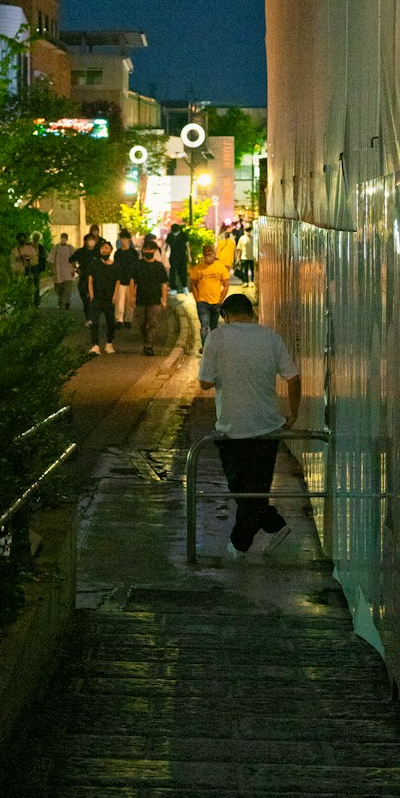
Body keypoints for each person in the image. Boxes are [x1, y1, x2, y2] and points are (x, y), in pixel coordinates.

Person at [198, 292, 301, 557]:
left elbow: (205, 383)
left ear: (225, 315)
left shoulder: (217, 338)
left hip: (232, 426)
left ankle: (242, 542)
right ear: (252, 314)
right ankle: (268, 528)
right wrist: (295, 413)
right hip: (268, 428)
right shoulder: (270, 337)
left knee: (241, 489)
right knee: (256, 489)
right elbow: (293, 377)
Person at [131, 238, 169, 355]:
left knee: (153, 322)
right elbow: (132, 281)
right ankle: (146, 340)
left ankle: (149, 345)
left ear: (154, 251)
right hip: (141, 299)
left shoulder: (159, 266)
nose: (148, 251)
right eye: (146, 249)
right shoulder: (138, 265)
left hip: (154, 299)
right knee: (141, 322)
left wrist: (164, 299)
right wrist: (132, 296)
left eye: (150, 249)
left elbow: (164, 284)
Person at [190, 242, 230, 343]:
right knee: (204, 326)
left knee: (213, 328)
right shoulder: (198, 268)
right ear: (203, 255)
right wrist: (197, 299)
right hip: (202, 302)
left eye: (210, 254)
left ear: (214, 254)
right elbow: (193, 285)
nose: (208, 257)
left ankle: (212, 347)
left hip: (216, 303)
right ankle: (205, 347)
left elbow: (225, 286)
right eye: (206, 255)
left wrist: (221, 300)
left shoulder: (220, 268)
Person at [87, 238, 118, 355]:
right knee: (94, 322)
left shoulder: (115, 265)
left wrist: (115, 295)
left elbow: (117, 281)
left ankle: (109, 343)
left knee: (110, 322)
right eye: (102, 248)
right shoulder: (95, 264)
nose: (104, 250)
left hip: (109, 298)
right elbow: (90, 279)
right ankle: (95, 345)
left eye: (106, 248)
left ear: (111, 250)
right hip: (97, 298)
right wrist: (91, 295)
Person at [113, 230, 139, 327]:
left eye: (125, 239)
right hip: (120, 280)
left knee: (130, 301)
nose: (123, 241)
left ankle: (128, 319)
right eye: (121, 239)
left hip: (131, 280)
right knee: (119, 302)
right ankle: (119, 320)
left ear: (129, 240)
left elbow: (136, 267)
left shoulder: (134, 253)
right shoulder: (117, 253)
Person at [72, 232, 100, 324]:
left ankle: (93, 317)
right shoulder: (81, 251)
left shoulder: (97, 251)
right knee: (85, 299)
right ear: (85, 241)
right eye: (89, 240)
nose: (91, 242)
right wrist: (76, 269)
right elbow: (71, 259)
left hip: (95, 279)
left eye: (92, 240)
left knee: (94, 299)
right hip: (84, 278)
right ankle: (88, 317)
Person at [49, 232, 76, 310]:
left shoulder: (70, 248)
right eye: (62, 237)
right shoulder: (56, 247)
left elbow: (73, 259)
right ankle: (60, 300)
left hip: (68, 271)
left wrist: (74, 269)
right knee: (58, 288)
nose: (63, 239)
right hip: (58, 272)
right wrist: (50, 270)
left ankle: (67, 301)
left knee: (68, 288)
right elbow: (51, 259)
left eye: (64, 237)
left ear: (67, 239)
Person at [10, 231, 38, 301]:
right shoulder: (14, 251)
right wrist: (15, 271)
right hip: (18, 275)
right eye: (20, 238)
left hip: (28, 273)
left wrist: (29, 263)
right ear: (17, 240)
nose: (22, 240)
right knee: (19, 291)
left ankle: (29, 302)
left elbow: (35, 260)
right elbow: (12, 263)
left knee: (29, 290)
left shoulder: (30, 249)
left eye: (23, 238)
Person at [165, 221, 190, 292]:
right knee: (172, 272)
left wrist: (189, 256)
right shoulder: (170, 235)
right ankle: (173, 288)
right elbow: (166, 246)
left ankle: (184, 286)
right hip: (173, 256)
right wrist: (164, 256)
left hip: (182, 256)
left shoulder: (183, 235)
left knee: (183, 271)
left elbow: (187, 246)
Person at [31, 231, 48, 305]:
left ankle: (36, 302)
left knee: (36, 285)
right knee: (29, 284)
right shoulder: (28, 246)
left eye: (37, 238)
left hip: (37, 267)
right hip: (29, 267)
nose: (36, 239)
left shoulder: (40, 247)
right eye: (35, 237)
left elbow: (44, 256)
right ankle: (29, 300)